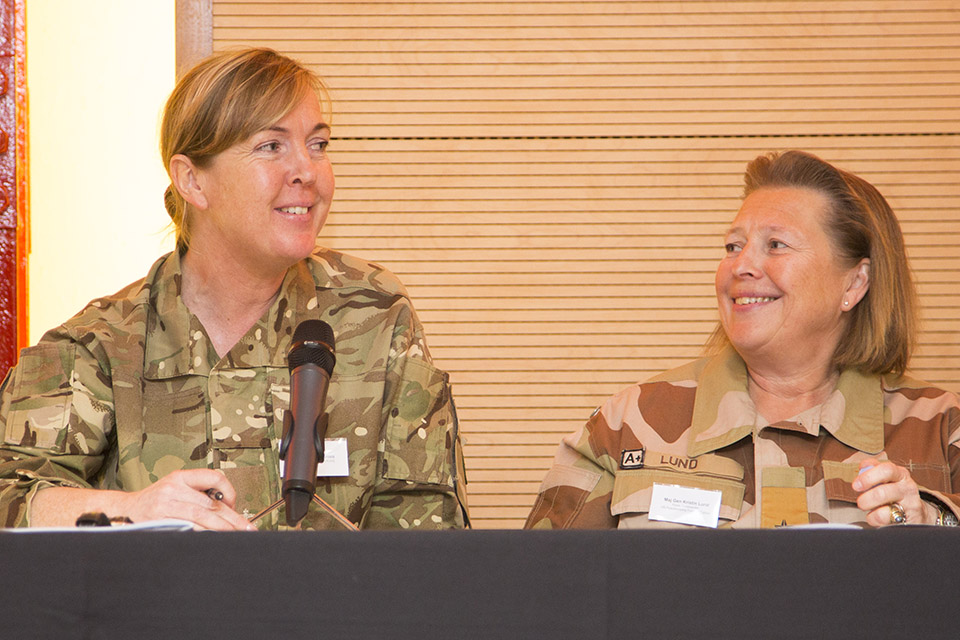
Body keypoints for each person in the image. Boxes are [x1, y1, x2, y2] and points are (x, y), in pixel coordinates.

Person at [0, 48, 468, 530]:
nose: (307, 171)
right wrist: (134, 510)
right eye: (271, 146)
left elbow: (429, 536)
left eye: (319, 144)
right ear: (192, 180)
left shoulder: (374, 313)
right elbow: (8, 493)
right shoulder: (101, 345)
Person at [526, 150, 960, 529]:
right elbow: (538, 593)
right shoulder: (625, 426)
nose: (741, 265)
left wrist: (934, 519)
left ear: (854, 284)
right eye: (733, 246)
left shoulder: (940, 431)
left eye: (775, 245)